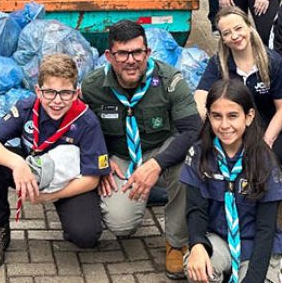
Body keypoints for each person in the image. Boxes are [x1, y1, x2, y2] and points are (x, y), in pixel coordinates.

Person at [79, 20, 200, 279]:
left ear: (148, 52)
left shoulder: (170, 80)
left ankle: (177, 243)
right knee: (121, 224)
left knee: (188, 164)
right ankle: (149, 193)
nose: (131, 60)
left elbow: (192, 131)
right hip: (119, 155)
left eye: (137, 52)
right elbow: (80, 129)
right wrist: (100, 158)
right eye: (122, 53)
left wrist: (156, 165)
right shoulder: (91, 86)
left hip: (162, 151)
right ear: (110, 56)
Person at [0, 54, 111, 269]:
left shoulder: (86, 120)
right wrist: (17, 164)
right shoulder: (28, 107)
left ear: (76, 93)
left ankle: (72, 214)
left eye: (65, 93)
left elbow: (92, 179)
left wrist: (49, 197)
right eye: (49, 92)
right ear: (38, 91)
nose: (57, 101)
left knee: (85, 236)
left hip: (68, 182)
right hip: (32, 171)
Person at [183, 79, 282, 283]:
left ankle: (270, 271)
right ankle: (227, 268)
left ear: (248, 117)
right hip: (219, 239)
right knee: (196, 272)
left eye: (232, 116)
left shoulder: (264, 160)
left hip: (256, 243)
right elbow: (196, 211)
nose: (224, 125)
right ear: (208, 117)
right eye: (216, 116)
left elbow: (266, 229)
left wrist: (254, 278)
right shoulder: (199, 154)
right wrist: (197, 245)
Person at [196, 7, 282, 171]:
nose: (234, 36)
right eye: (226, 33)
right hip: (231, 125)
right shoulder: (218, 63)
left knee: (281, 156)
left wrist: (266, 142)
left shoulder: (273, 61)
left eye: (238, 28)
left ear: (249, 26)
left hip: (265, 124)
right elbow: (200, 97)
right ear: (222, 38)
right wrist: (216, 125)